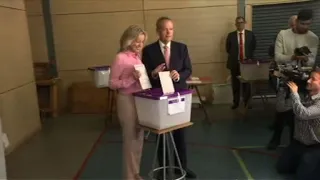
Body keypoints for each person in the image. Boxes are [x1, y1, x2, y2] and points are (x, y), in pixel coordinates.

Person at [142, 16, 196, 179]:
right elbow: (145, 75)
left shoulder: (182, 48)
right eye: (165, 29)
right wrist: (154, 73)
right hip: (159, 98)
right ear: (158, 31)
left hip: (178, 96)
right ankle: (164, 168)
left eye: (171, 29)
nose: (168, 32)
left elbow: (188, 70)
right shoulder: (149, 51)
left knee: (180, 134)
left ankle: (182, 168)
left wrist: (179, 75)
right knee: (162, 135)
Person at [109, 25, 147, 180]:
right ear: (128, 40)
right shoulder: (120, 58)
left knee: (139, 139)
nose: (139, 45)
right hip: (126, 101)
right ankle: (129, 177)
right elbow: (112, 83)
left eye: (142, 42)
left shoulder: (137, 57)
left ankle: (135, 172)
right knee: (130, 139)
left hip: (140, 99)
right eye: (137, 41)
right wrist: (132, 79)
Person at [276, 71, 320, 180]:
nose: (308, 81)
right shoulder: (304, 96)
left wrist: (295, 94)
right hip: (299, 143)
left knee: (304, 177)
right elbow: (281, 108)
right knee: (282, 168)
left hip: (316, 146)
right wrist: (282, 90)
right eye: (309, 78)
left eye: (313, 79)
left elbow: (304, 114)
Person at [267, 15, 297, 149]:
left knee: (295, 116)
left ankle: (294, 143)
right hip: (283, 83)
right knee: (281, 113)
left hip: (299, 83)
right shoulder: (281, 38)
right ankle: (276, 139)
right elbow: (275, 61)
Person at [226, 16, 257, 109]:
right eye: (238, 23)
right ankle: (236, 103)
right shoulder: (230, 35)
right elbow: (228, 49)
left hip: (247, 63)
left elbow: (253, 47)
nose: (240, 24)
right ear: (235, 24)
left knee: (246, 84)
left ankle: (246, 102)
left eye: (241, 22)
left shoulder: (250, 34)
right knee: (235, 84)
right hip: (235, 63)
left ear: (245, 23)